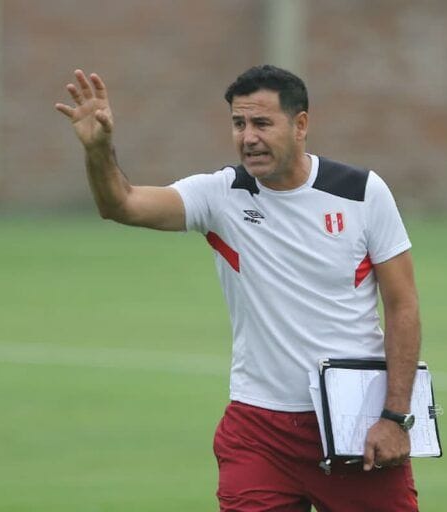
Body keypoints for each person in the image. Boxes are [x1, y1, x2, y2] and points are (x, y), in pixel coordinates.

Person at [55, 65, 421, 511]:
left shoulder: (362, 192)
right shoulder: (221, 194)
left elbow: (402, 306)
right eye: (238, 123)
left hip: (354, 421)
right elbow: (122, 204)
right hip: (258, 430)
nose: (248, 137)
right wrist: (98, 150)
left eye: (262, 123)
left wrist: (395, 417)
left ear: (300, 124)